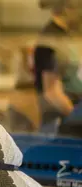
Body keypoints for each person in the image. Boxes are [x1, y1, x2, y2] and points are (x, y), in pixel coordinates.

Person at [34, 0, 82, 133]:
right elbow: (52, 92)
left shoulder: (69, 35)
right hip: (59, 125)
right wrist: (76, 117)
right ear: (68, 8)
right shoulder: (50, 40)